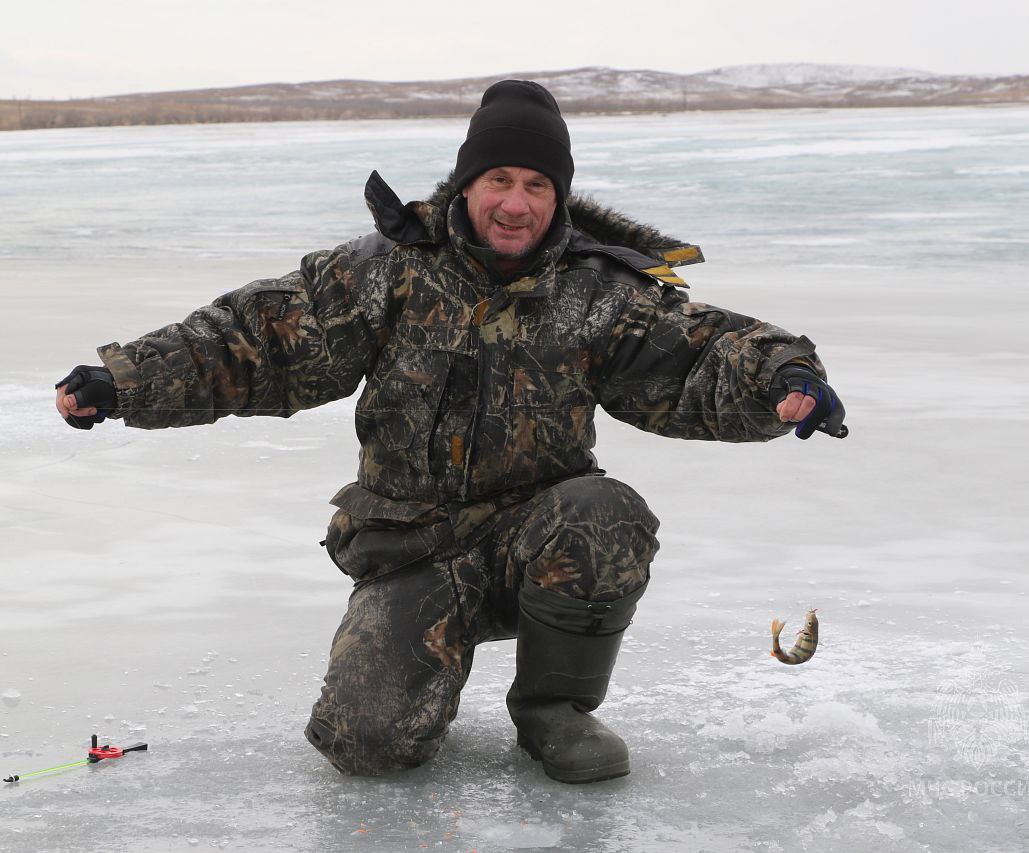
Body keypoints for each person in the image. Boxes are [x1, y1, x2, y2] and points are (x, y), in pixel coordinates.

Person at [54, 80, 846, 784]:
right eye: (499, 178)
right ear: (467, 183)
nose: (516, 202)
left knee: (605, 511)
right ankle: (424, 662)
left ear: (558, 197)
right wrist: (123, 382)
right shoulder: (387, 269)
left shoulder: (599, 291)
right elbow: (257, 339)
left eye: (537, 184)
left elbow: (702, 351)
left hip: (537, 544)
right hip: (411, 548)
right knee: (365, 744)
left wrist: (786, 378)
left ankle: (553, 709)